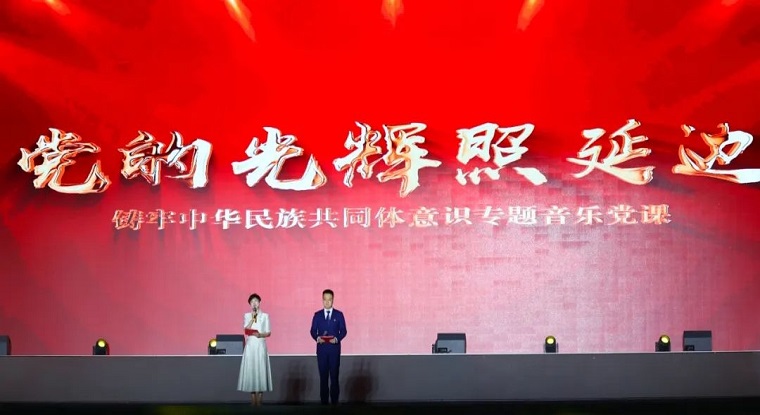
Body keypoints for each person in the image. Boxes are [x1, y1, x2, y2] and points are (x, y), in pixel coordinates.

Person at [310, 289, 347, 405]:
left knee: (334, 377)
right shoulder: (317, 315)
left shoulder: (339, 315)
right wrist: (317, 338)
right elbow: (312, 331)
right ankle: (324, 404)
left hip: (334, 351)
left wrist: (337, 339)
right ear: (322, 300)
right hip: (322, 351)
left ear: (333, 300)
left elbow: (344, 331)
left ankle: (335, 403)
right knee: (323, 378)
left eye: (329, 299)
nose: (327, 302)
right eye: (325, 299)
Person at [237, 293, 273, 405]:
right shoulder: (247, 315)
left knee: (260, 369)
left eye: (256, 301)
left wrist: (260, 335)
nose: (254, 303)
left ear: (259, 303)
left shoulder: (265, 316)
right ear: (250, 304)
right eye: (252, 302)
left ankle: (260, 398)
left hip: (260, 345)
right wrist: (253, 318)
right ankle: (252, 399)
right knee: (251, 370)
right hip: (250, 346)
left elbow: (268, 332)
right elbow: (246, 329)